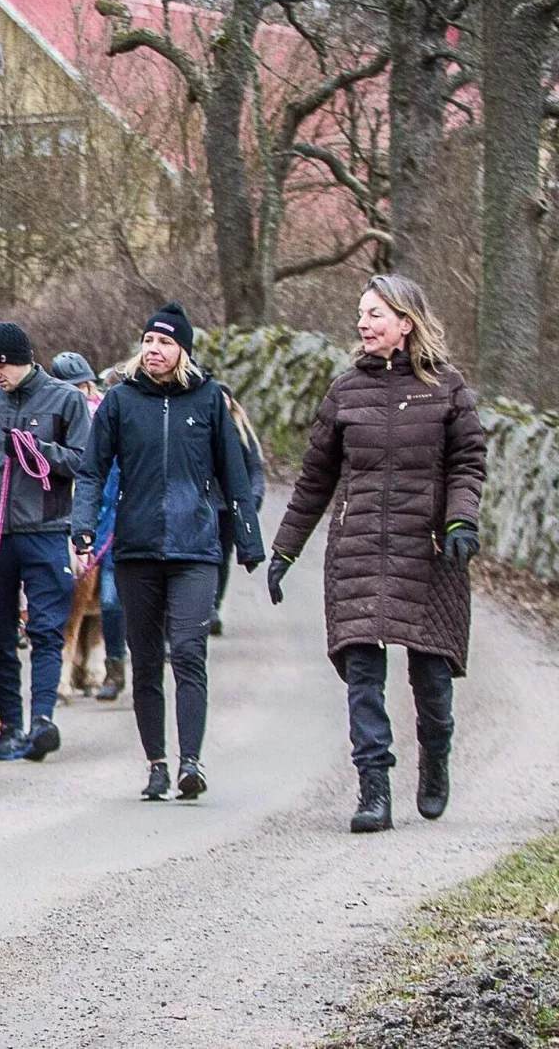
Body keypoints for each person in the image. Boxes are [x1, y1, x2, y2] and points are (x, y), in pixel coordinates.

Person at [268, 274, 486, 833]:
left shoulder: (447, 389)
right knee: (363, 676)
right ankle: (374, 790)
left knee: (431, 678)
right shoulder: (344, 393)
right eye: (361, 314)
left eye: (375, 314)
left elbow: (467, 463)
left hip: (429, 553)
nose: (363, 324)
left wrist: (461, 519)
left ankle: (434, 759)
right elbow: (314, 481)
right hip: (358, 551)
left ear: (405, 324)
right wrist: (284, 552)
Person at [71, 303, 264, 800]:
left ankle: (191, 763)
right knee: (147, 658)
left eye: (165, 343)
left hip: (195, 549)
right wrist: (83, 530)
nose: (154, 350)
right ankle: (157, 763)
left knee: (190, 654)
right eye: (149, 341)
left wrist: (247, 540)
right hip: (136, 549)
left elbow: (234, 476)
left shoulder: (208, 401)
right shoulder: (120, 402)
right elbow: (92, 471)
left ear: (183, 351)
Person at [0, 323, 90, 761]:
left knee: (47, 630)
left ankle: (42, 719)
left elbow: (85, 463)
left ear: (24, 360)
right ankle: (9, 725)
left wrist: (40, 450)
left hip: (46, 531)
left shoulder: (67, 401)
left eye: (1, 365)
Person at [50, 351, 127, 699]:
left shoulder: (105, 419)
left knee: (108, 595)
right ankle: (75, 665)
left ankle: (105, 661)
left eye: (79, 389)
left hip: (103, 517)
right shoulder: (51, 419)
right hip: (62, 515)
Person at [209, 384, 267, 636]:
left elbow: (255, 469)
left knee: (221, 558)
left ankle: (213, 606)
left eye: (225, 400)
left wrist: (251, 501)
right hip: (204, 506)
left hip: (228, 509)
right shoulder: (199, 429)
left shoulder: (242, 433)